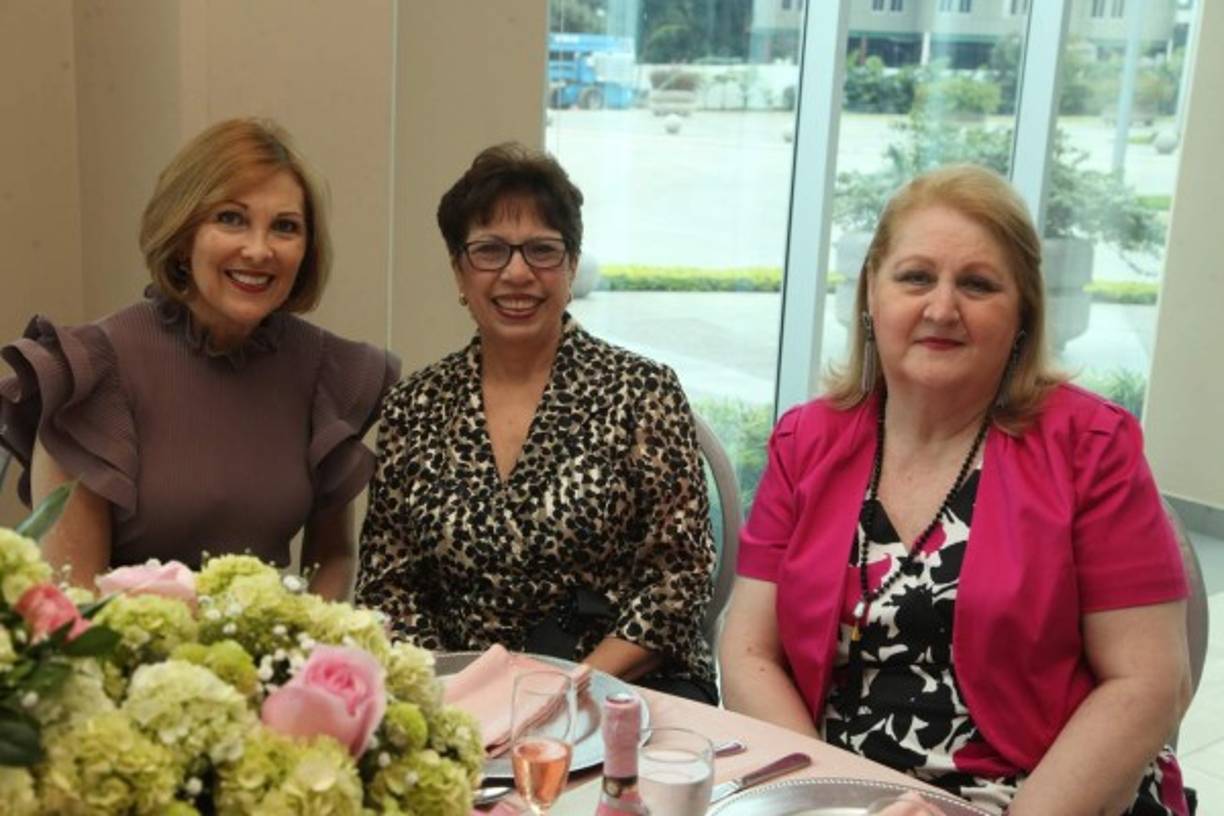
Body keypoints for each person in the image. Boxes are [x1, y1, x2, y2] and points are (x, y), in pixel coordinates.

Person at [720, 165, 1192, 814]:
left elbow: (1148, 683)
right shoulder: (806, 442)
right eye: (916, 277)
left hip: (1041, 796)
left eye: (977, 284)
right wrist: (829, 804)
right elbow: (748, 651)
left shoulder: (1091, 446)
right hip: (841, 792)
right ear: (870, 296)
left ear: (1022, 311)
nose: (942, 308)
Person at [356, 143, 717, 703]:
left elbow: (680, 582)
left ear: (571, 266)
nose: (517, 273)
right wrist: (445, 698)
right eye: (490, 250)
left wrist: (567, 690)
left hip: (622, 690)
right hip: (461, 700)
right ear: (458, 270)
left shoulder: (644, 391)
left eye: (542, 251)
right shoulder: (414, 405)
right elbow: (388, 589)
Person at [0, 118, 400, 599]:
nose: (259, 249)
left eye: (285, 227)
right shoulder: (89, 371)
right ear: (183, 231)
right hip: (127, 662)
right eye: (230, 218)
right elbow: (73, 595)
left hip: (279, 663)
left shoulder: (326, 372)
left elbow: (332, 555)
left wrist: (304, 652)